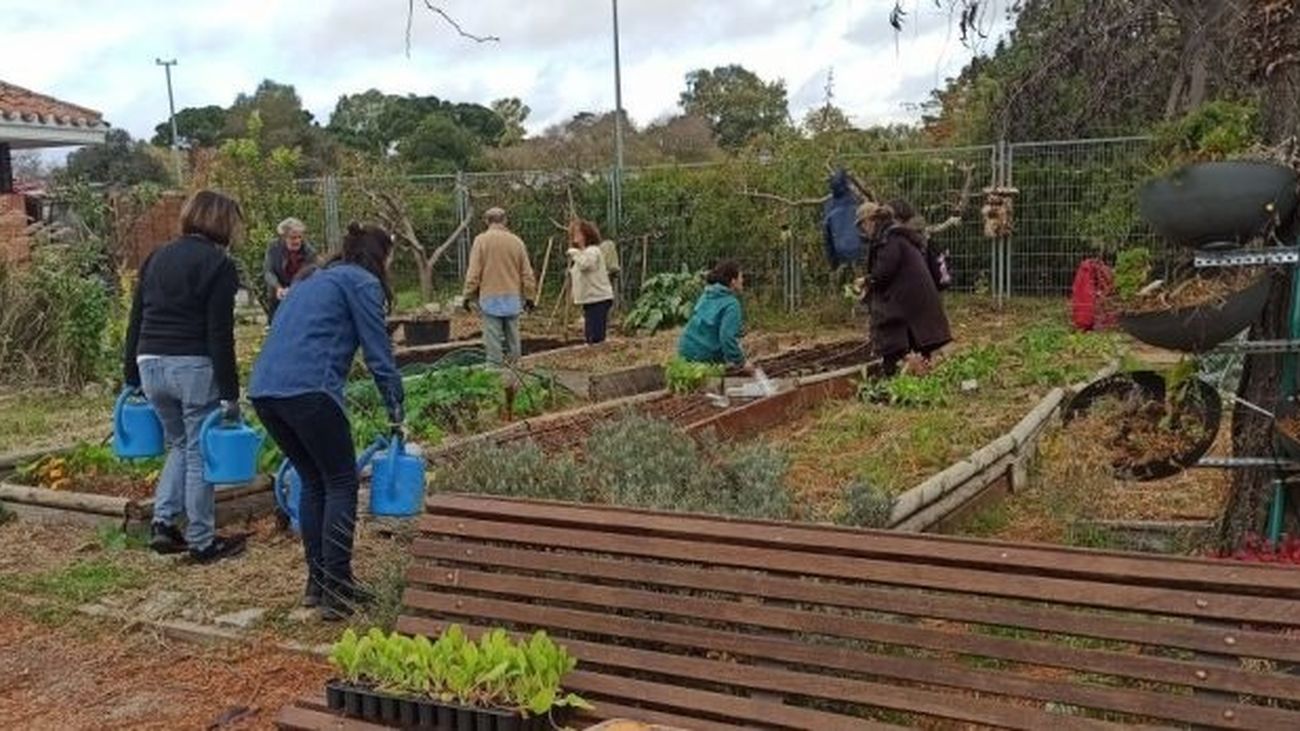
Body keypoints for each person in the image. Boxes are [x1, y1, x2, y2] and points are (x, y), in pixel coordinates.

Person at [249, 223, 405, 620]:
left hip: (266, 391)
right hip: (309, 390)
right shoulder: (362, 283)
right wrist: (395, 407)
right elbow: (377, 351)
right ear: (380, 257)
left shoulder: (310, 279)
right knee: (340, 481)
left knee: (314, 480)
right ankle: (338, 587)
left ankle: (317, 584)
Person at [122, 190, 247, 564]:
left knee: (179, 444)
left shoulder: (156, 256)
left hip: (150, 361)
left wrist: (131, 374)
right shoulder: (219, 265)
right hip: (191, 364)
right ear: (223, 222)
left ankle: (162, 523)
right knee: (197, 451)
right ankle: (202, 541)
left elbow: (135, 320)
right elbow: (219, 333)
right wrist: (230, 392)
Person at [862, 203, 952, 377]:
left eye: (862, 225)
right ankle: (917, 373)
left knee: (890, 330)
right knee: (916, 343)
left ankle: (899, 373)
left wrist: (867, 282)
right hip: (917, 301)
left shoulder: (889, 240)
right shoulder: (900, 237)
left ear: (870, 221)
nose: (863, 231)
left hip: (908, 303)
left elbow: (883, 274)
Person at [463, 207, 537, 366]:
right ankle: (517, 372)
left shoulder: (481, 241)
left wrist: (467, 295)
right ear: (505, 221)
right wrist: (530, 297)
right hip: (512, 297)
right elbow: (527, 274)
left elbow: (474, 273)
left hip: (490, 297)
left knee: (493, 341)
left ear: (486, 221)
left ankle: (495, 374)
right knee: (513, 339)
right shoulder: (517, 242)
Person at [678, 259, 754, 373]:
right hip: (703, 357)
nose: (742, 281)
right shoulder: (731, 304)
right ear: (733, 281)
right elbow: (727, 338)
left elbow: (704, 321)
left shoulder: (707, 293)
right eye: (741, 277)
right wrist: (742, 362)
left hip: (685, 349)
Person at [566, 219, 614, 345]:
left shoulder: (593, 251)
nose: (574, 235)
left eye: (578, 232)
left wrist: (574, 253)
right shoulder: (583, 253)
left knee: (596, 337)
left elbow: (586, 264)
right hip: (590, 299)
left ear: (586, 234)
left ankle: (601, 360)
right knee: (590, 336)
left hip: (599, 298)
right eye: (573, 233)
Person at [263, 217, 318, 322]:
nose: (297, 241)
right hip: (278, 294)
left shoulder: (310, 252)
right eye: (293, 237)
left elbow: (309, 275)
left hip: (300, 293)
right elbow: (268, 271)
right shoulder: (273, 247)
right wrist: (278, 288)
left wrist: (293, 289)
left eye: (299, 237)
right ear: (283, 237)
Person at [823, 169, 864, 282]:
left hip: (840, 252)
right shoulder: (857, 200)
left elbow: (827, 238)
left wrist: (832, 264)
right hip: (861, 251)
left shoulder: (829, 206)